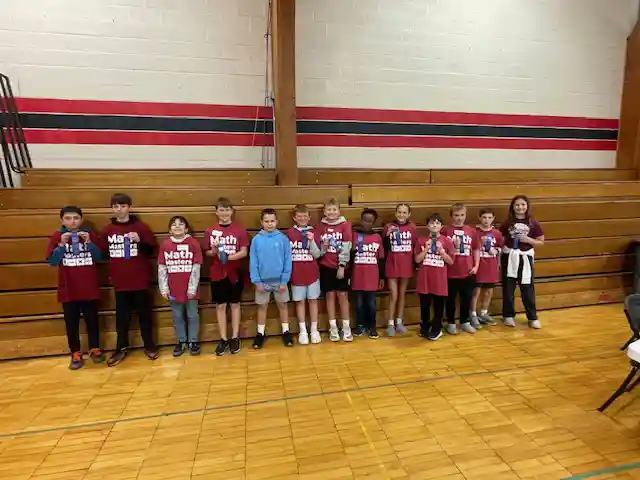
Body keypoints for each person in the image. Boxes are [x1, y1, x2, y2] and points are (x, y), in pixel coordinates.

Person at [100, 193, 158, 366]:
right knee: (122, 318)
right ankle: (121, 348)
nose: (119, 209)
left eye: (123, 206)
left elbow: (151, 251)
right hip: (120, 282)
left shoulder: (141, 227)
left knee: (144, 316)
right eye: (116, 206)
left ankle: (149, 345)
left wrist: (140, 241)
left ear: (129, 207)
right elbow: (102, 253)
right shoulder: (108, 230)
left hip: (140, 280)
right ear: (112, 208)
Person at [46, 206, 104, 370]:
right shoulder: (57, 236)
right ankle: (75, 352)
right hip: (69, 290)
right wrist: (62, 245)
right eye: (69, 218)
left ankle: (95, 348)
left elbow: (100, 257)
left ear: (81, 219)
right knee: (71, 324)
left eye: (76, 218)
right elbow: (52, 261)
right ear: (62, 220)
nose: (73, 221)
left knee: (92, 321)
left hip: (89, 288)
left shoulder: (89, 234)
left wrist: (90, 243)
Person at [203, 197, 249, 356]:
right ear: (216, 212)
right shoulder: (210, 230)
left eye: (227, 210)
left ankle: (235, 337)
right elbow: (207, 252)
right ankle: (223, 338)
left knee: (235, 304)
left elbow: (244, 251)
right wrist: (215, 252)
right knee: (221, 305)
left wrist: (228, 258)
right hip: (217, 272)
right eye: (221, 210)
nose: (224, 213)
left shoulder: (240, 230)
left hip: (235, 271)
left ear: (232, 211)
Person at [158, 216, 203, 357]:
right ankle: (181, 341)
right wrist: (163, 288)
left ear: (186, 228)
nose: (177, 227)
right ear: (169, 229)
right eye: (174, 224)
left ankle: (193, 341)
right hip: (173, 289)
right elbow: (162, 268)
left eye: (181, 224)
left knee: (192, 315)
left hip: (191, 289)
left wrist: (192, 288)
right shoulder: (165, 245)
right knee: (177, 316)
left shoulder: (193, 243)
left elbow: (196, 267)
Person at [250, 208, 293, 349]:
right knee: (262, 307)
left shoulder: (283, 238)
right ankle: (260, 333)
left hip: (280, 281)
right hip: (262, 282)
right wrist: (256, 281)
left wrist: (284, 280)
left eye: (272, 221)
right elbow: (253, 261)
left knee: (283, 306)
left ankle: (286, 331)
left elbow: (288, 260)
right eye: (267, 221)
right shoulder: (256, 240)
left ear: (277, 222)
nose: (269, 224)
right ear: (262, 222)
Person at [500, 195, 545, 329]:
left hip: (525, 258)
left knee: (527, 288)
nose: (520, 207)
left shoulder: (533, 223)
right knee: (508, 288)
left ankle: (532, 317)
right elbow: (500, 238)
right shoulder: (507, 223)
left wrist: (529, 240)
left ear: (527, 206)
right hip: (510, 257)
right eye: (517, 205)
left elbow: (541, 242)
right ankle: (508, 315)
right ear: (513, 207)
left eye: (523, 204)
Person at [316, 198, 353, 342]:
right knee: (330, 296)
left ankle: (346, 327)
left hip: (341, 267)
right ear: (324, 212)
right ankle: (333, 327)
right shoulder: (320, 226)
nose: (331, 212)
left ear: (339, 211)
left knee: (342, 297)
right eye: (329, 210)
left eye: (334, 210)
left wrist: (342, 266)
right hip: (326, 266)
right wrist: (323, 248)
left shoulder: (345, 225)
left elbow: (346, 246)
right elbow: (318, 248)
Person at [414, 213, 455, 341]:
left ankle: (437, 328)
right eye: (432, 223)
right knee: (425, 305)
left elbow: (451, 261)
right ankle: (425, 326)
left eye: (437, 223)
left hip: (439, 279)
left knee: (438, 305)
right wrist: (425, 250)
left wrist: (442, 251)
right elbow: (417, 259)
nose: (434, 225)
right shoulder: (421, 240)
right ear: (427, 225)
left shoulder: (447, 241)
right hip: (425, 278)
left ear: (441, 226)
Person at [286, 204, 322, 345]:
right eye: (299, 216)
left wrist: (312, 240)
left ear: (309, 217)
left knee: (313, 301)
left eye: (305, 216)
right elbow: (286, 255)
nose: (302, 218)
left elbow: (317, 254)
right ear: (294, 217)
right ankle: (302, 330)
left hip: (312, 273)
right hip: (296, 274)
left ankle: (314, 329)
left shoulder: (315, 232)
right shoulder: (289, 233)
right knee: (299, 302)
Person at [442, 203, 480, 335]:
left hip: (467, 272)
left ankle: (465, 322)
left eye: (462, 215)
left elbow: (475, 249)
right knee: (450, 299)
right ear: (452, 216)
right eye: (456, 215)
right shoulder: (445, 231)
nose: (459, 218)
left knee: (466, 298)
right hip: (450, 272)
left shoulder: (471, 231)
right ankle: (451, 322)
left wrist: (476, 266)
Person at [383, 203, 416, 337]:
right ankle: (390, 323)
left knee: (402, 294)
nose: (401, 215)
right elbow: (383, 247)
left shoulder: (412, 228)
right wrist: (387, 236)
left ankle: (399, 321)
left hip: (406, 264)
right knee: (393, 294)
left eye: (404, 212)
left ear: (408, 214)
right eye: (399, 212)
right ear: (395, 213)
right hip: (392, 263)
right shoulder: (388, 226)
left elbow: (415, 245)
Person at [352, 208, 385, 339]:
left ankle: (372, 326)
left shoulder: (377, 238)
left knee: (371, 304)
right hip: (357, 275)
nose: (366, 223)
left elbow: (381, 259)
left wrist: (382, 277)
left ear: (374, 222)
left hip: (372, 277)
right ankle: (360, 325)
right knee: (359, 303)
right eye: (364, 220)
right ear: (361, 220)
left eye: (370, 221)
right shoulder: (355, 235)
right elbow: (349, 256)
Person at [470, 208, 503, 327]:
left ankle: (483, 312)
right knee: (476, 291)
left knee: (489, 291)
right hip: (479, 265)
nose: (486, 220)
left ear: (493, 219)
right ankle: (472, 314)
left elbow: (500, 247)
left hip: (491, 265)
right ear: (480, 218)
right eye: (484, 217)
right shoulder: (475, 232)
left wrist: (496, 251)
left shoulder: (497, 233)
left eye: (489, 218)